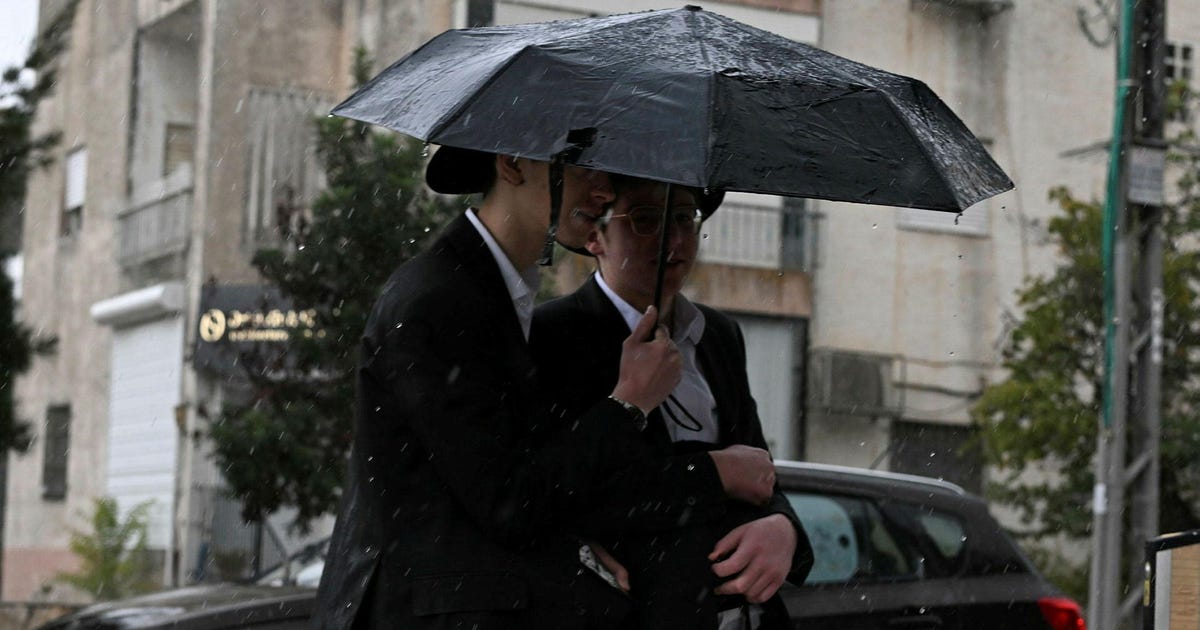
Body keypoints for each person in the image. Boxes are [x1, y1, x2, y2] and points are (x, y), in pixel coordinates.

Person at [313, 146, 782, 629]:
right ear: (513, 162)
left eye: (686, 218)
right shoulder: (440, 298)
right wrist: (629, 403)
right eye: (583, 168)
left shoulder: (493, 292)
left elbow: (523, 479)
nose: (602, 191)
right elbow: (511, 499)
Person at [531, 175, 813, 630]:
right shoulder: (551, 337)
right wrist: (713, 474)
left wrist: (783, 529)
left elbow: (758, 471)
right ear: (594, 235)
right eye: (646, 219)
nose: (675, 238)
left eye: (684, 217)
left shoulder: (719, 336)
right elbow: (573, 493)